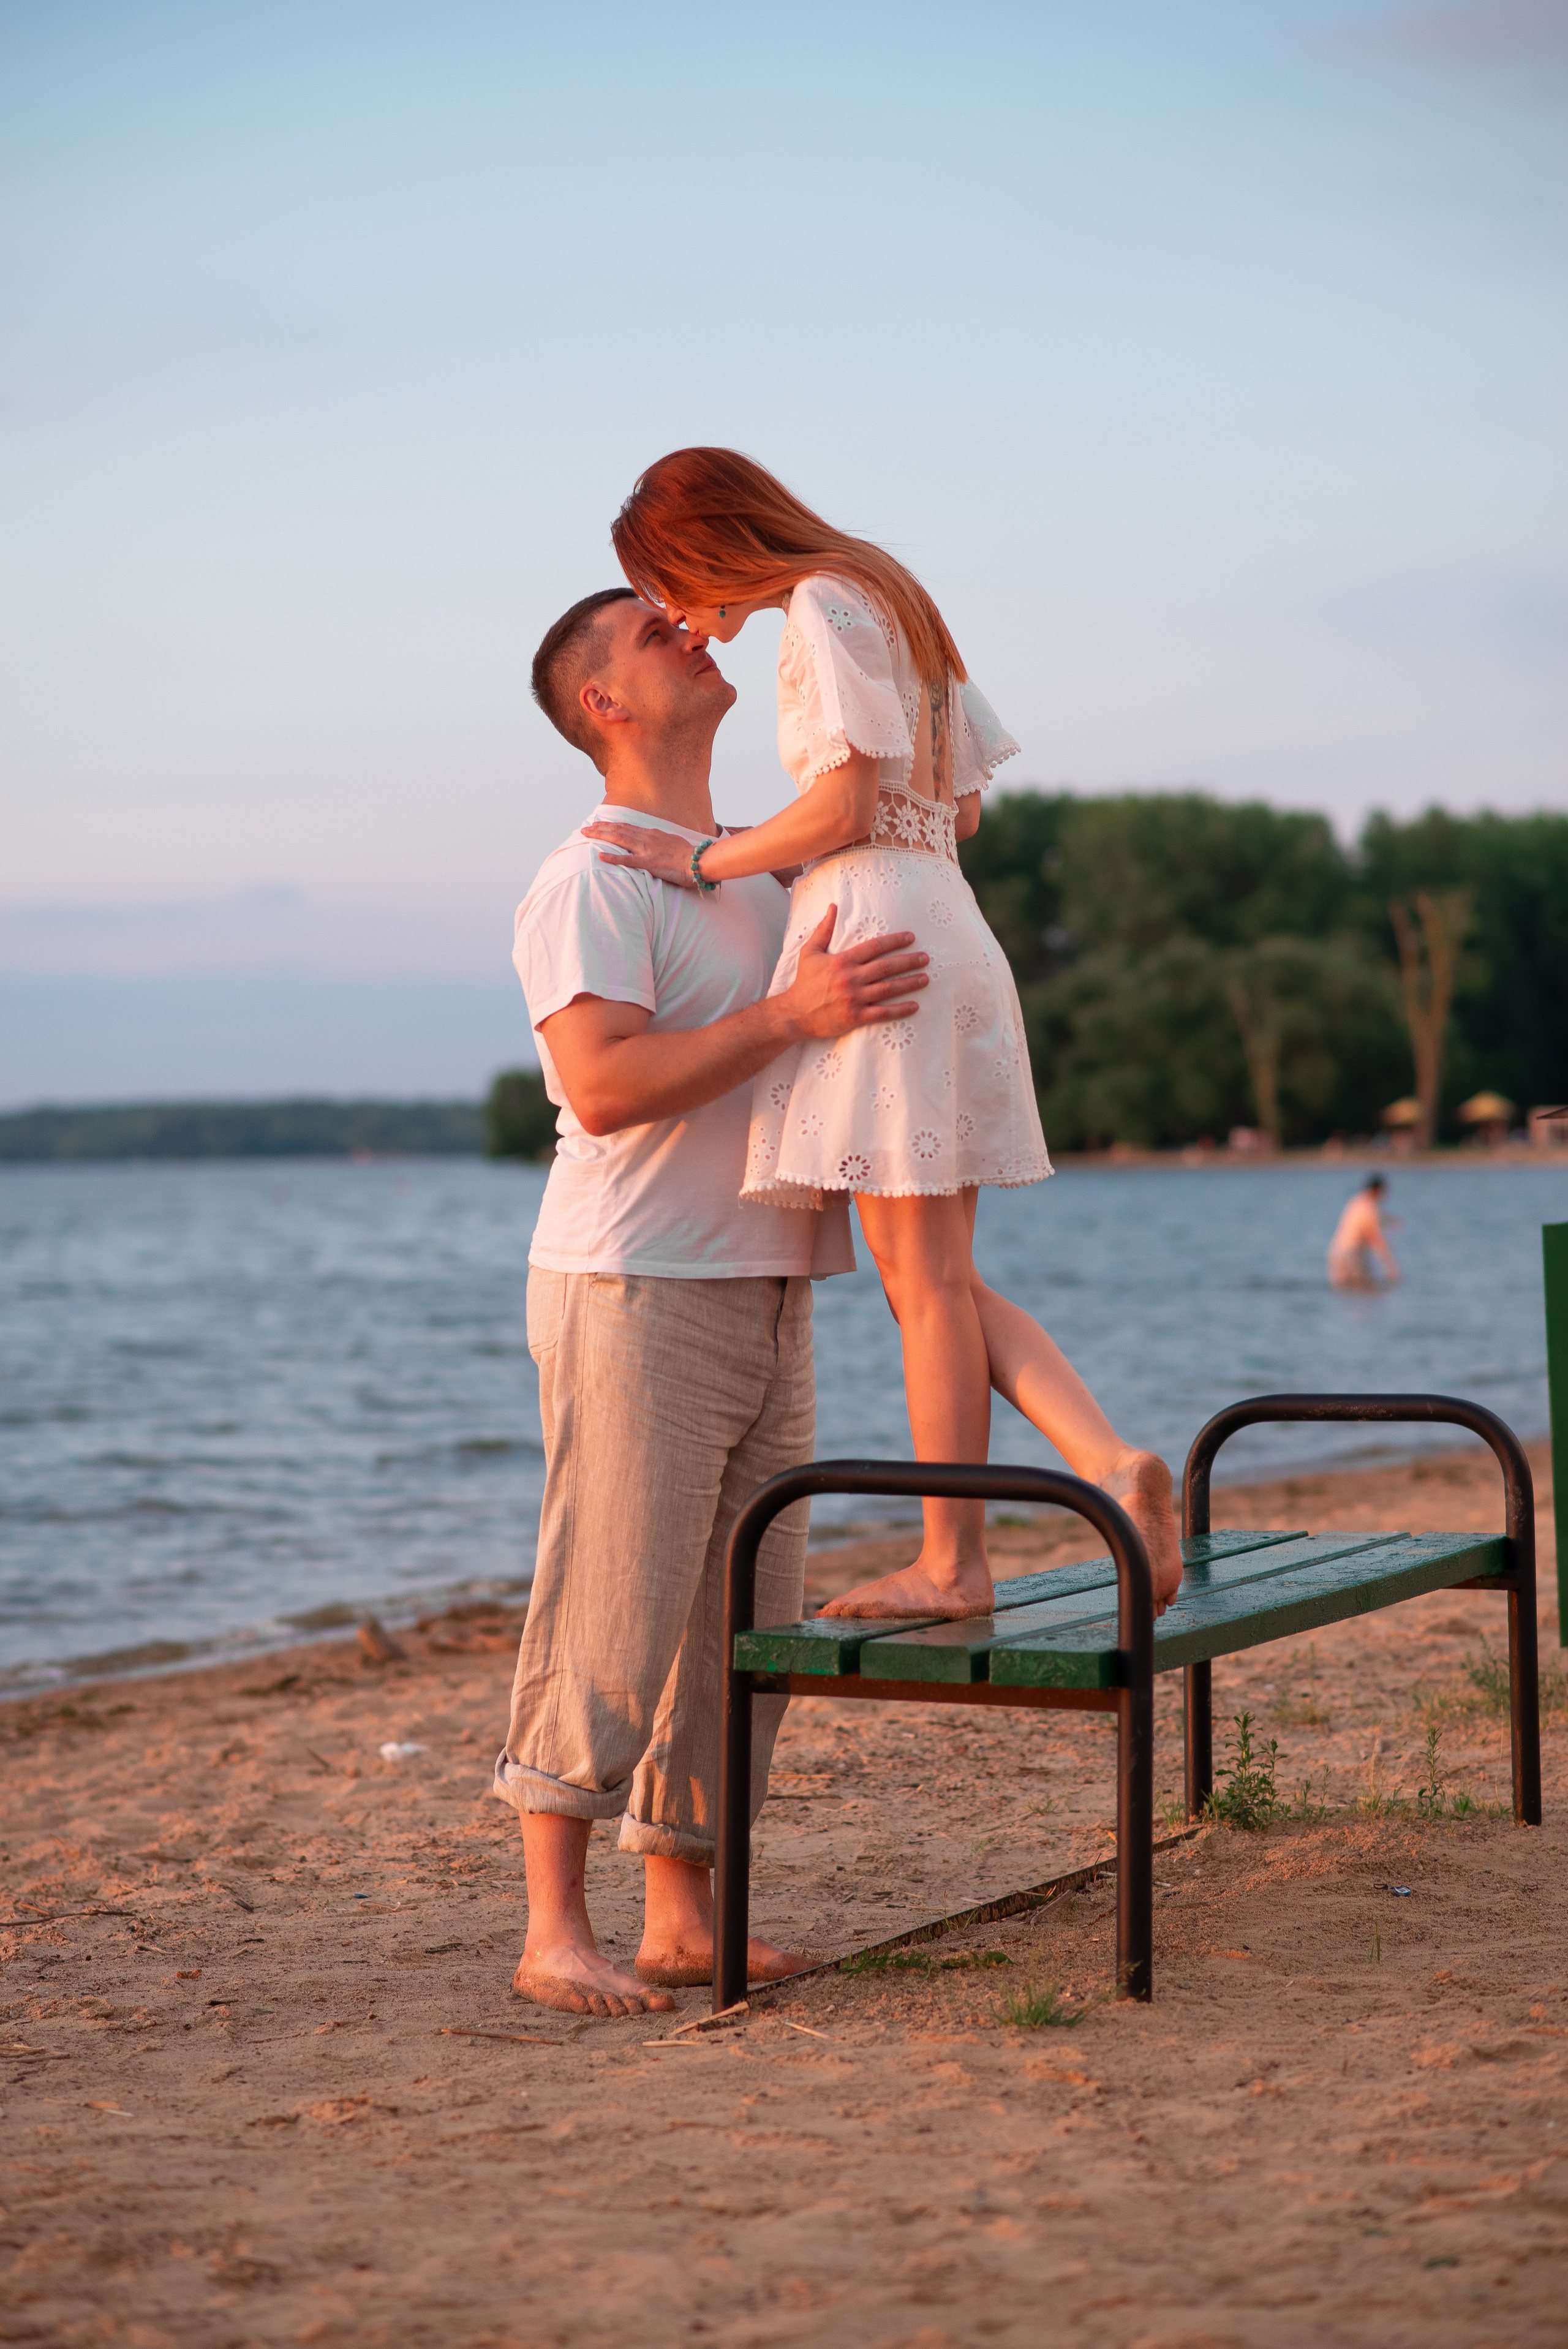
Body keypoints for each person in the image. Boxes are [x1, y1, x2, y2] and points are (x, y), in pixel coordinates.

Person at [585, 447, 1185, 1621]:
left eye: (663, 582)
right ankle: (1107, 1463)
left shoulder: (815, 606)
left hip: (877, 935)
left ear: (707, 545)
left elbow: (849, 805)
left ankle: (954, 1562)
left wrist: (703, 854)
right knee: (937, 1278)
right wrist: (803, 834)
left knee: (921, 1278)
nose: (673, 615)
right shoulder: (890, 591)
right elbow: (955, 803)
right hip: (944, 914)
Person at [496, 586, 932, 2016]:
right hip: (631, 1287)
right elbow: (604, 1085)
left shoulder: (744, 865)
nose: (686, 627)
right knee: (611, 1606)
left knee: (741, 1619)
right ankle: (553, 1927)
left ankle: (681, 1915)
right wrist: (789, 1018)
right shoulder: (588, 883)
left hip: (764, 1288)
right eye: (646, 630)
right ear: (601, 705)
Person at [1327, 1175, 1401, 1289]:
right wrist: (1390, 1267)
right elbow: (1374, 1237)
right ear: (1377, 1190)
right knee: (1366, 1291)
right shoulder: (1368, 1208)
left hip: (1337, 1253)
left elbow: (1370, 1220)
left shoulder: (1358, 1201)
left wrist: (1389, 1221)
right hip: (1352, 1255)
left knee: (1345, 1291)